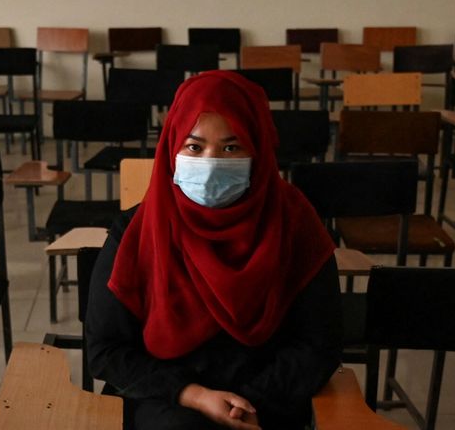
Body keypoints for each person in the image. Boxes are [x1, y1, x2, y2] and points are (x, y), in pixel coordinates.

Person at [86, 70, 343, 430]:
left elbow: (320, 343)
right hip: (165, 398)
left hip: (267, 402)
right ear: (172, 148)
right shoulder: (136, 232)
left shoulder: (296, 226)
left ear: (258, 152)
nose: (210, 162)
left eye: (231, 147)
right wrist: (194, 396)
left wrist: (248, 405)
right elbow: (105, 349)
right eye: (194, 147)